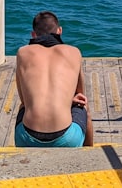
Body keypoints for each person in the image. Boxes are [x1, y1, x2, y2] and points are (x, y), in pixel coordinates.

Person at [14, 11, 93, 147]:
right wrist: (68, 100)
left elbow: (24, 101)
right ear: (59, 31)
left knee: (23, 108)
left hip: (27, 138)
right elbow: (80, 95)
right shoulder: (74, 52)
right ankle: (88, 156)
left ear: (33, 34)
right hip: (67, 138)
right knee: (83, 107)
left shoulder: (22, 52)